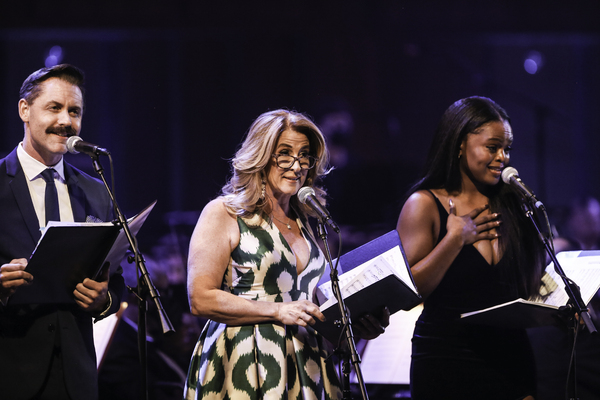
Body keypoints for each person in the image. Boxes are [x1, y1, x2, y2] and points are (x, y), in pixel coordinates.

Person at [184, 109, 387, 399]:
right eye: (284, 153)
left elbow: (315, 309)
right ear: (261, 155)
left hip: (307, 366)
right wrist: (278, 310)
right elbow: (200, 298)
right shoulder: (225, 213)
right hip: (246, 363)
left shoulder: (307, 222)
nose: (296, 165)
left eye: (305, 155)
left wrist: (357, 324)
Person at [396, 96, 546, 399]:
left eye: (507, 149)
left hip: (510, 356)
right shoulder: (424, 205)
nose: (502, 157)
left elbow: (527, 288)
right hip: (446, 359)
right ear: (460, 144)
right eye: (492, 147)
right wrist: (454, 240)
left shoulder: (514, 205)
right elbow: (407, 291)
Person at [0, 64, 125, 400]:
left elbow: (116, 281)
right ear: (24, 110)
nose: (66, 121)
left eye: (75, 111)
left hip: (77, 378)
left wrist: (103, 300)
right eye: (54, 108)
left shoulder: (96, 191)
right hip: (10, 374)